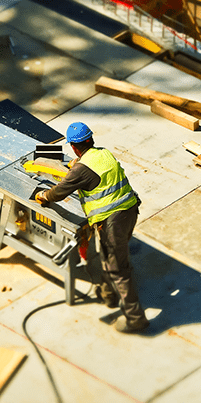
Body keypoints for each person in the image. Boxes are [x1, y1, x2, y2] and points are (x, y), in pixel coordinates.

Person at [34, 122, 150, 333]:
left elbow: (58, 193)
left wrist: (43, 196)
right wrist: (78, 165)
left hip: (112, 221)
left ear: (73, 147)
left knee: (118, 268)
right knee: (110, 255)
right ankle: (109, 294)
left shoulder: (80, 170)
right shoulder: (102, 154)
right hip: (130, 210)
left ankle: (136, 318)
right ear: (90, 139)